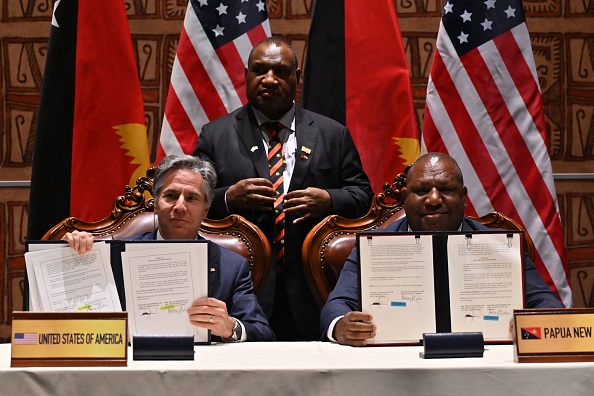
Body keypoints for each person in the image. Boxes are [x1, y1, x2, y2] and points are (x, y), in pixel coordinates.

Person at [193, 37, 373, 341]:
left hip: (312, 288)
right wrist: (228, 196)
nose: (270, 79)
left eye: (281, 72)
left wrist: (329, 199)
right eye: (260, 70)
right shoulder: (216, 135)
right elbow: (192, 197)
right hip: (242, 290)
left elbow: (362, 196)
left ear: (297, 78)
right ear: (247, 75)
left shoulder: (332, 134)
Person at [320, 152, 564, 346]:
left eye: (446, 190)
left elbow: (547, 302)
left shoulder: (500, 244)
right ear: (405, 197)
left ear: (464, 197)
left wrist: (532, 323)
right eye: (421, 191)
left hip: (484, 362)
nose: (434, 199)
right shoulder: (373, 245)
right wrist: (340, 326)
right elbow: (337, 305)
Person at [63, 154, 274, 342]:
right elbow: (74, 317)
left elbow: (262, 333)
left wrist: (230, 327)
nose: (180, 206)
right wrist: (73, 255)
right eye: (171, 196)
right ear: (155, 203)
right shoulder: (115, 255)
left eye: (191, 198)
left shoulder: (232, 266)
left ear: (205, 211)